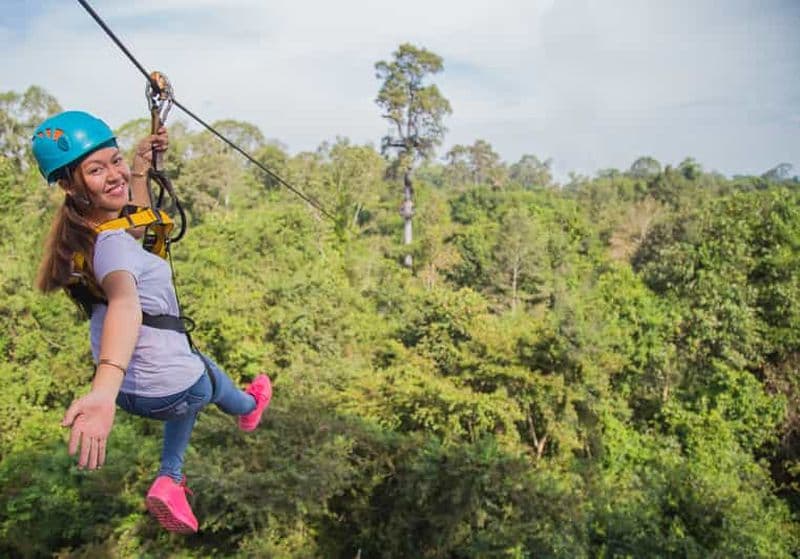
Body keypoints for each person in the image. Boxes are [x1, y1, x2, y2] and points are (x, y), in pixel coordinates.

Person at [31, 110, 272, 534]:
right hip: (146, 389)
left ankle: (171, 477)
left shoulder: (85, 237)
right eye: (96, 170)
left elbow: (133, 228)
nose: (114, 174)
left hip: (132, 394)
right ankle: (250, 409)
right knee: (206, 382)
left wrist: (140, 168)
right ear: (69, 184)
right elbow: (125, 305)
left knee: (189, 376)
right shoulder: (111, 246)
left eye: (115, 160)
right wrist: (102, 393)